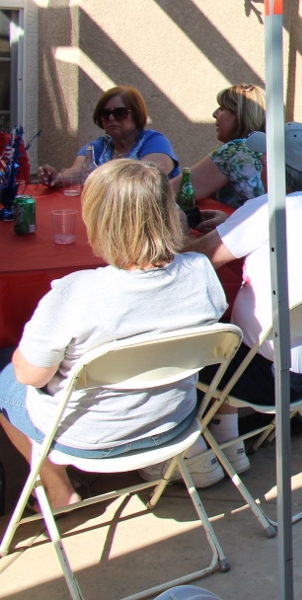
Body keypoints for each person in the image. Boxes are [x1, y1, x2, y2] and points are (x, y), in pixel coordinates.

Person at [0, 159, 227, 505]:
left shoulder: (76, 292)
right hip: (174, 422)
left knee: (6, 368)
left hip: (89, 438)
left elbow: (31, 376)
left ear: (98, 219)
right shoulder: (201, 271)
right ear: (169, 213)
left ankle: (58, 490)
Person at [183, 122, 302, 470]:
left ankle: (199, 453)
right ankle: (230, 445)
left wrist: (176, 231)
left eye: (266, 161)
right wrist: (230, 223)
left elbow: (197, 258)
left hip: (264, 377)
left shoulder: (271, 209)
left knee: (186, 337)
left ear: (280, 171)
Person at [37, 86, 179, 186]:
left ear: (136, 115)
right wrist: (57, 178)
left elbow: (147, 177)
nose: (111, 118)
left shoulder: (154, 141)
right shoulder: (98, 146)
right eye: (105, 114)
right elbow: (77, 172)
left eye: (119, 113)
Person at [177, 83, 265, 209]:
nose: (214, 114)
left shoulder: (236, 150)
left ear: (240, 113)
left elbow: (172, 191)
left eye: (222, 108)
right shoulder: (273, 150)